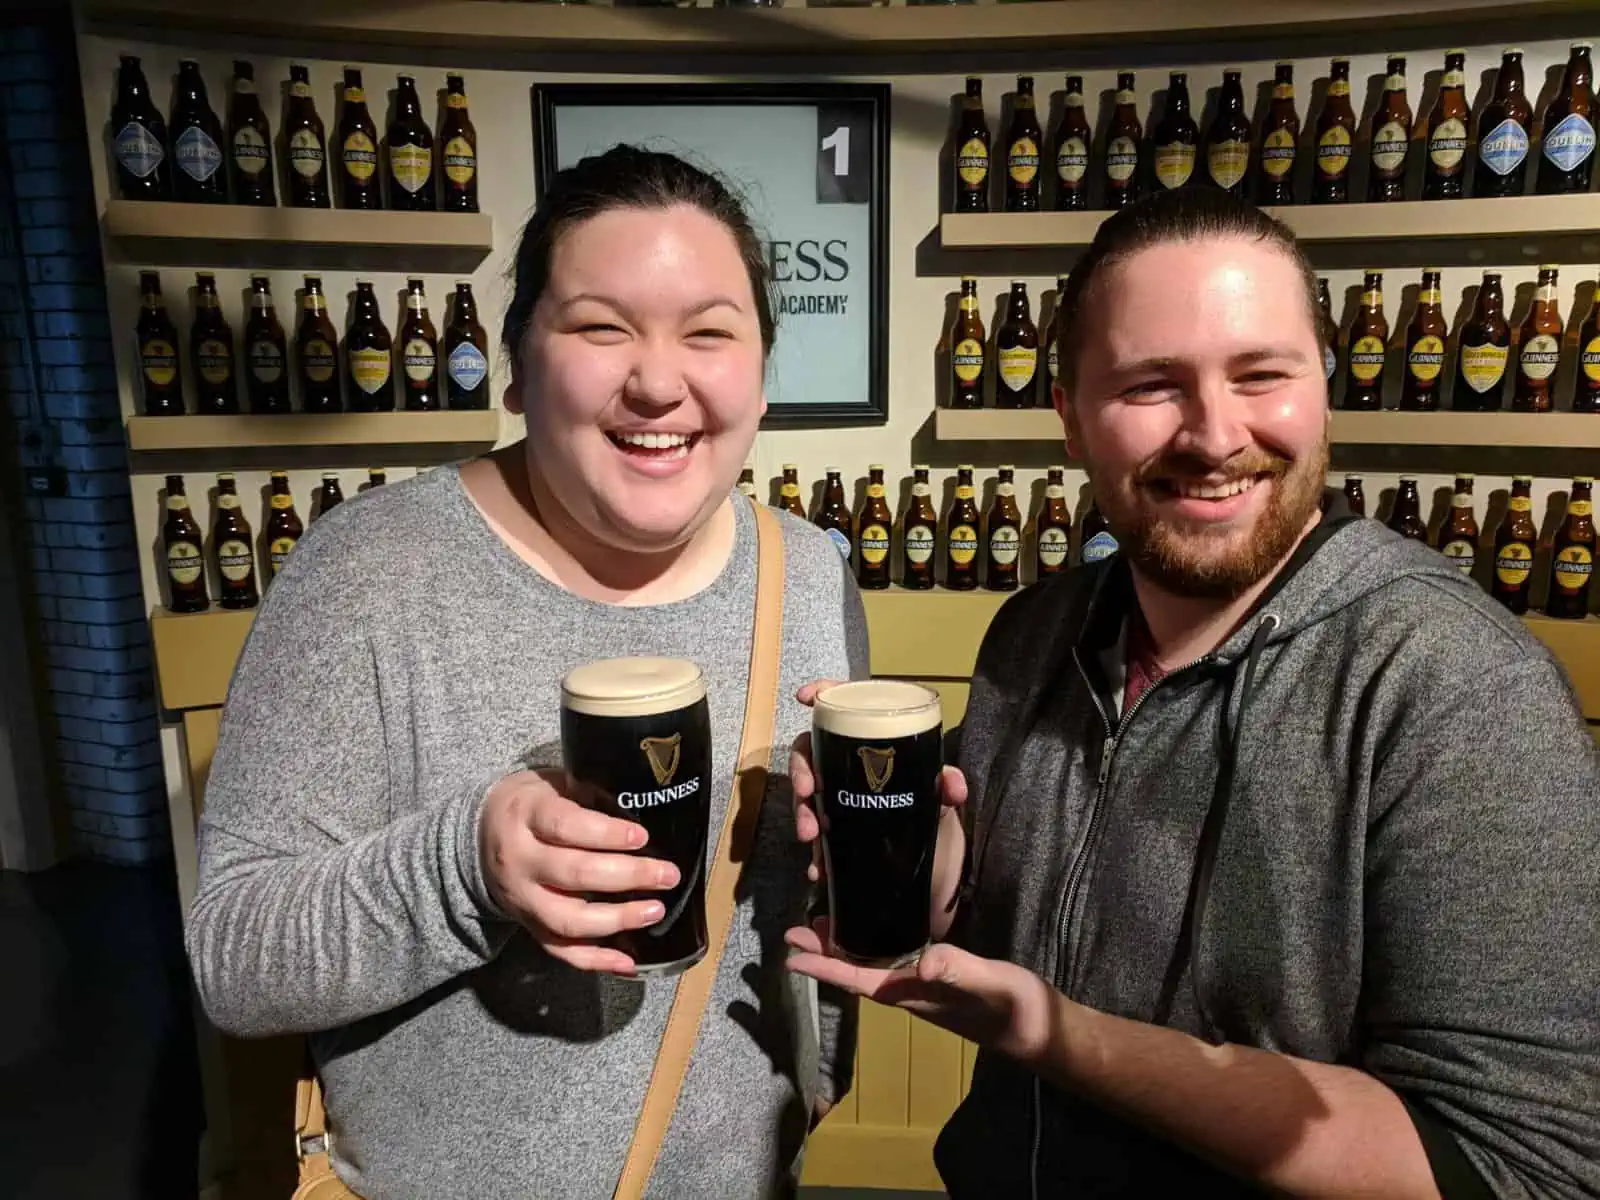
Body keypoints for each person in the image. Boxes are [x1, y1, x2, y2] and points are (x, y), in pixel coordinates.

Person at [787, 189, 1600, 1197]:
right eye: (1150, 386)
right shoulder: (1034, 637)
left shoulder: (1454, 690)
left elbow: (1515, 1167)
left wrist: (1063, 1039)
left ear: (1321, 390)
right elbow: (1005, 922)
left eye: (1261, 375)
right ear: (1071, 421)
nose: (1215, 435)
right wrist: (926, 862)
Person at [186, 146, 865, 1199]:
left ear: (760, 375)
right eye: (601, 326)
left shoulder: (809, 571)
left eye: (710, 331)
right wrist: (468, 869)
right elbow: (234, 956)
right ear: (515, 365)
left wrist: (822, 1076)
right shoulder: (369, 572)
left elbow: (798, 917)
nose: (657, 378)